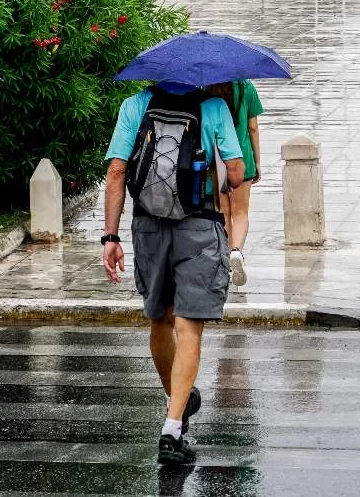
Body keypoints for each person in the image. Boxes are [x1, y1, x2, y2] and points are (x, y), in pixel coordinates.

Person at [102, 81, 244, 464]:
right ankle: (172, 427)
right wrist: (223, 173)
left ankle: (176, 398)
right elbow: (236, 172)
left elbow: (116, 172)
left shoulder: (135, 104)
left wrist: (110, 237)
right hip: (200, 226)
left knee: (160, 319)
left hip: (147, 226)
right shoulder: (214, 107)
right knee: (189, 326)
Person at [207, 80, 263, 287]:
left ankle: (226, 259)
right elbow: (253, 127)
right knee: (240, 213)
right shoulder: (246, 87)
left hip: (217, 160)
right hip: (242, 159)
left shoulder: (206, 88)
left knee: (223, 212)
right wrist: (257, 161)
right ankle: (236, 252)